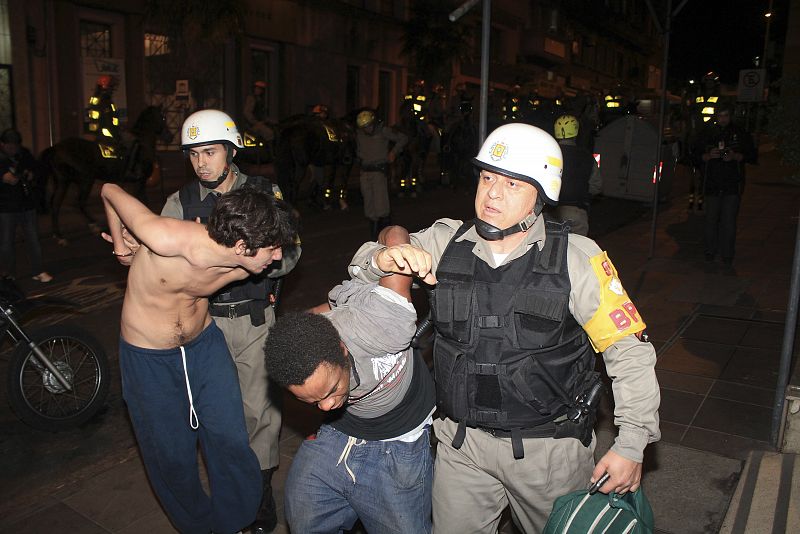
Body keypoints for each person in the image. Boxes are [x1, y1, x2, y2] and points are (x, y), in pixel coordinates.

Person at [348, 123, 661, 533]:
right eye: (488, 177)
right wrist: (384, 260)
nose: (493, 192)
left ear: (541, 196)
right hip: (462, 446)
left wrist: (632, 444)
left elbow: (630, 349)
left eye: (512, 184)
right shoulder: (447, 241)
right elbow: (359, 268)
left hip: (547, 451)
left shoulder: (577, 258)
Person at [102, 182, 297, 534]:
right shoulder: (165, 237)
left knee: (231, 439)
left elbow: (279, 256)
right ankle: (199, 527)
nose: (278, 257)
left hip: (205, 346)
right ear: (241, 246)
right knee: (171, 456)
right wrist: (121, 244)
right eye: (272, 249)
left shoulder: (247, 262)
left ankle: (236, 521)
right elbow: (109, 190)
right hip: (149, 358)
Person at [163, 109, 300, 534]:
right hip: (201, 323)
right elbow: (160, 261)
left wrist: (255, 261)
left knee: (259, 418)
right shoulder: (180, 203)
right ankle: (229, 496)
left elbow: (291, 252)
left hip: (253, 322)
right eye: (193, 154)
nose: (202, 162)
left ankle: (258, 507)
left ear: (231, 150)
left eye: (210, 151)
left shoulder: (262, 192)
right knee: (214, 419)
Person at [264, 225, 436, 534]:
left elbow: (395, 233)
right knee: (302, 510)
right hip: (341, 435)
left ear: (342, 349)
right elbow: (307, 325)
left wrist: (393, 254)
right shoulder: (309, 355)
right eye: (312, 401)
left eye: (329, 392)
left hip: (398, 445)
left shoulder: (383, 325)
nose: (326, 406)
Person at [697, 103, 756, 266]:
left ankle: (727, 255)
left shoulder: (739, 132)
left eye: (726, 116)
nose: (722, 119)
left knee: (729, 221)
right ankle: (709, 252)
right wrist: (708, 156)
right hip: (712, 184)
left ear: (730, 116)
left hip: (732, 184)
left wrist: (736, 156)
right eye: (720, 116)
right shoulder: (707, 132)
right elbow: (694, 155)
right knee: (710, 220)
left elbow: (751, 154)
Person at [0, 129, 52, 283]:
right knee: (6, 242)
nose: (13, 149)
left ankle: (38, 270)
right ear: (2, 144)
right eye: (9, 146)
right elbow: (9, 178)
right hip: (5, 207)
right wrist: (8, 177)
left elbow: (36, 169)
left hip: (26, 204)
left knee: (33, 239)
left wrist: (30, 173)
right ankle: (8, 274)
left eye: (15, 145)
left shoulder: (24, 154)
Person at [355, 109, 408, 240]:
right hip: (365, 172)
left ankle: (387, 235)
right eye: (363, 127)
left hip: (378, 172)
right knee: (369, 208)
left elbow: (403, 138)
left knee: (381, 207)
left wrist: (393, 152)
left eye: (368, 126)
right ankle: (373, 237)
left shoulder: (383, 131)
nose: (366, 129)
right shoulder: (359, 134)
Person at [551, 114, 603, 236]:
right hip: (577, 210)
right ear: (576, 132)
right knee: (577, 250)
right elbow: (597, 186)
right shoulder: (587, 157)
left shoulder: (550, 154)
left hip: (552, 211)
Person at [85, 74, 120, 145]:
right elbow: (102, 119)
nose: (113, 89)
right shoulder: (102, 100)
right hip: (104, 135)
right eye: (111, 86)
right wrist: (114, 134)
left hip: (105, 133)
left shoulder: (103, 99)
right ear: (105, 86)